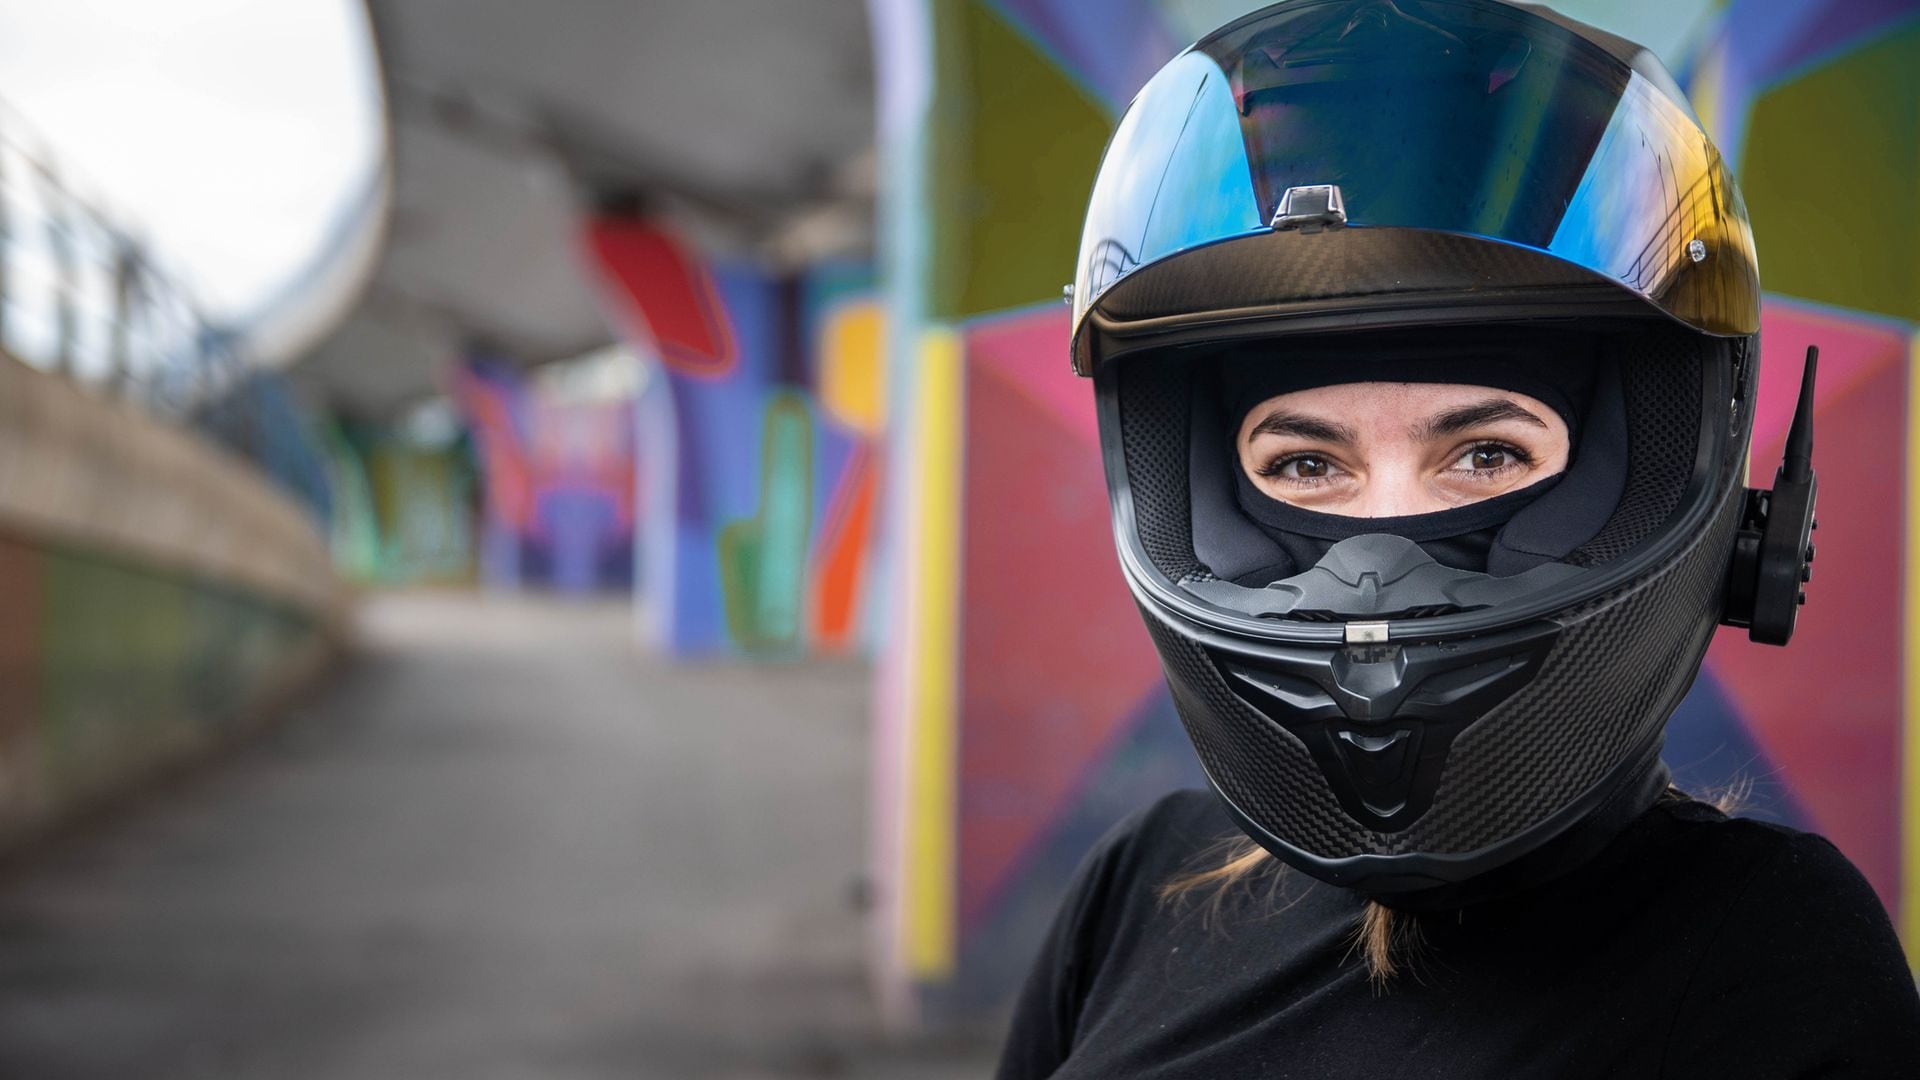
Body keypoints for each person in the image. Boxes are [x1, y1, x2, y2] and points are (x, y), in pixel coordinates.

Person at [998, 1, 1920, 1076]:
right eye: (1306, 464)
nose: (1381, 557)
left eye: (1486, 454)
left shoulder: (1770, 953)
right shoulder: (1140, 886)